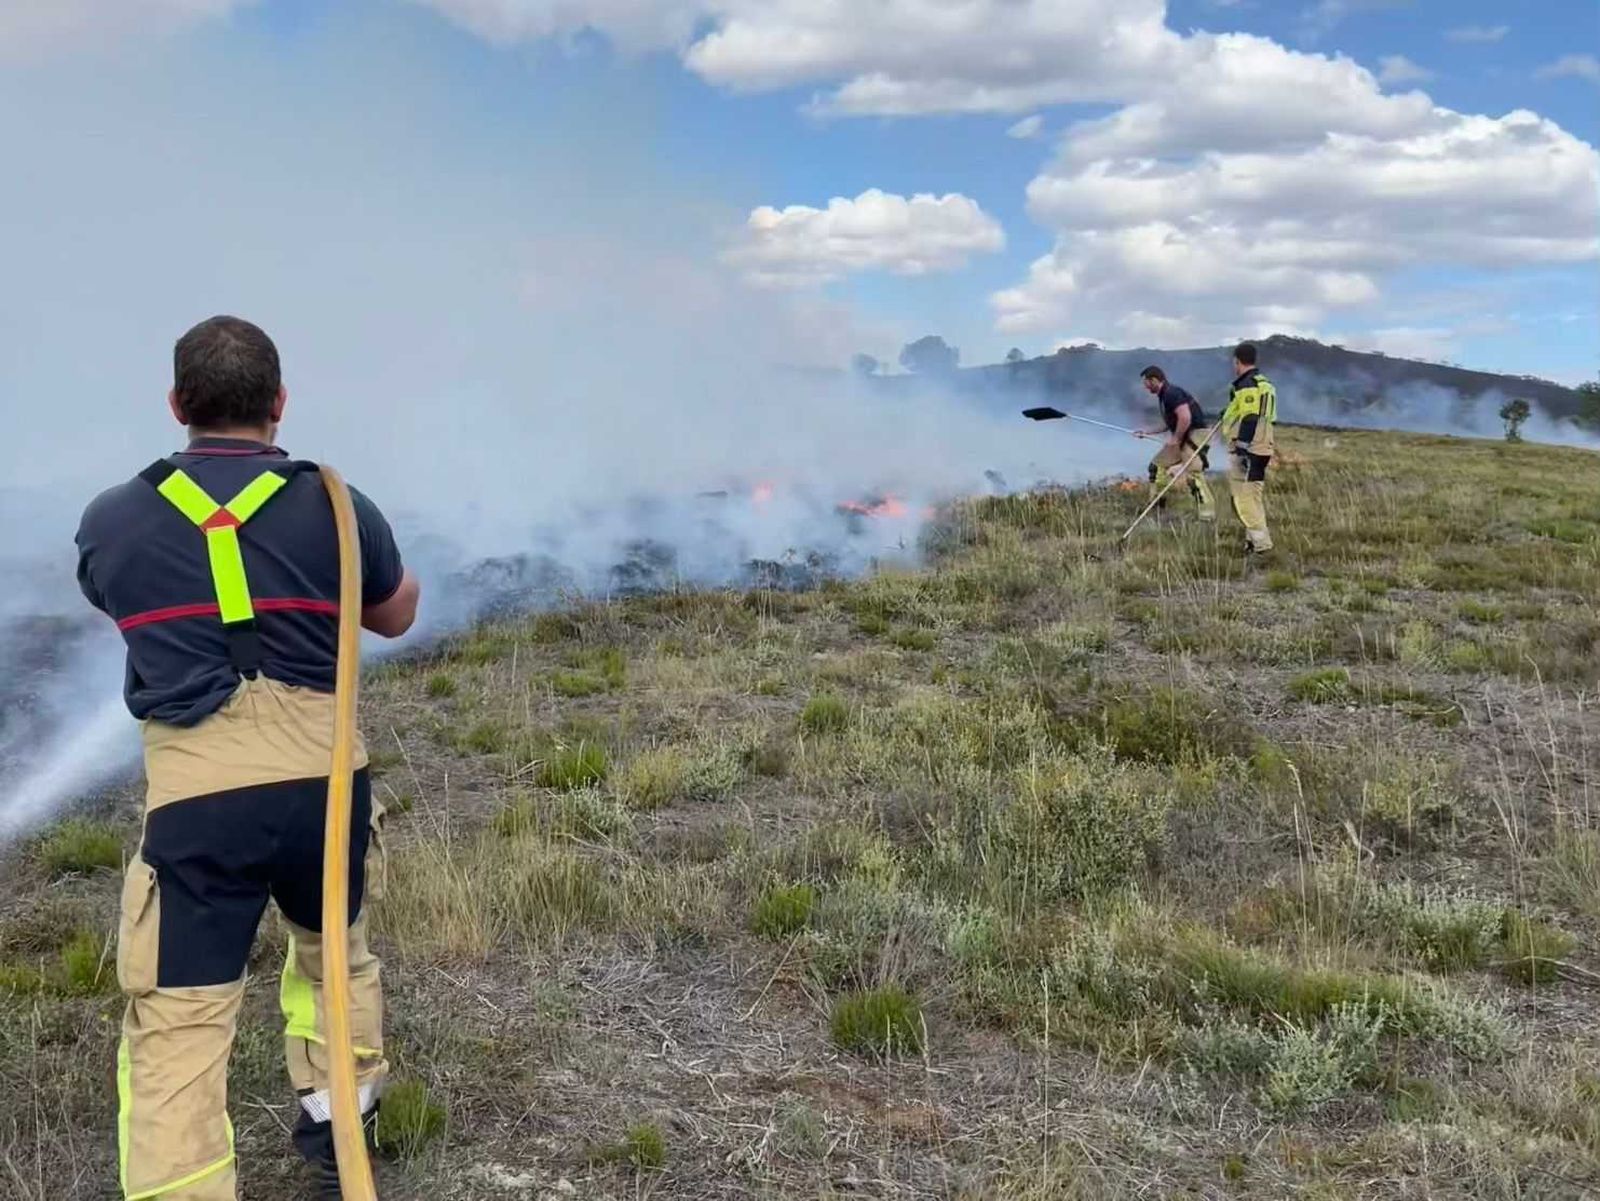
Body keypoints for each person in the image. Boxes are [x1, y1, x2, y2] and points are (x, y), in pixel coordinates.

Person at [74, 315, 421, 1199]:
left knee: (181, 1018)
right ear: (278, 403)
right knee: (335, 963)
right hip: (326, 791)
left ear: (178, 404)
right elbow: (395, 613)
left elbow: (116, 600)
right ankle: (338, 1129)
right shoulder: (338, 501)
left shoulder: (113, 518)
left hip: (199, 801)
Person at [1135, 365, 1215, 521]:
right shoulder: (1165, 395)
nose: (1145, 387)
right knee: (1157, 466)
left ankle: (1207, 516)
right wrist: (1147, 432)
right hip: (1184, 437)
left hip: (1195, 436)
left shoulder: (1172, 393)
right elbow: (1171, 422)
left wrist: (1176, 439)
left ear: (1154, 380)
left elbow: (1185, 417)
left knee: (1193, 476)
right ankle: (1157, 506)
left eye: (1146, 383)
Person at [1219, 341, 1278, 554]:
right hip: (1263, 445)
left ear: (1237, 361)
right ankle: (1252, 542)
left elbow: (1251, 417)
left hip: (1251, 448)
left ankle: (1262, 545)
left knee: (1244, 499)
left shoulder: (1248, 385)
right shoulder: (1264, 384)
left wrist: (1242, 449)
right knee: (1251, 496)